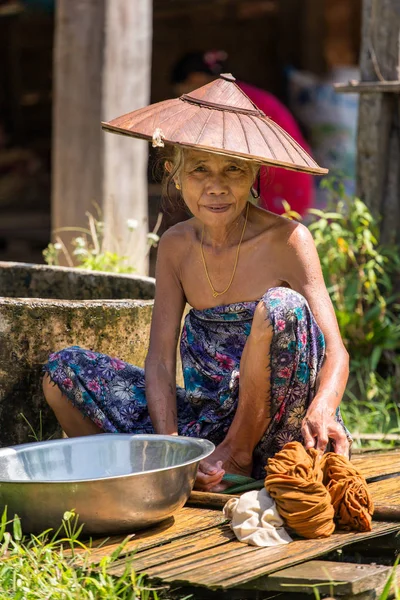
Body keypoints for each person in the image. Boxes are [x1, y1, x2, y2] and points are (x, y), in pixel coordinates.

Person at [42, 74, 350, 492]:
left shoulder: (288, 240)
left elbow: (335, 350)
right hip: (205, 425)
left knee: (282, 306)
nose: (216, 186)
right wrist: (171, 447)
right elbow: (160, 361)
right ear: (174, 172)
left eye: (234, 170)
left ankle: (237, 455)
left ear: (254, 173)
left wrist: (324, 409)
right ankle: (150, 481)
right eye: (200, 169)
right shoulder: (175, 246)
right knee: (64, 372)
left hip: (283, 427)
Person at [171, 51, 314, 217]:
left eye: (186, 90)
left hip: (279, 180)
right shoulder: (233, 95)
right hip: (278, 177)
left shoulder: (228, 101)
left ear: (196, 79)